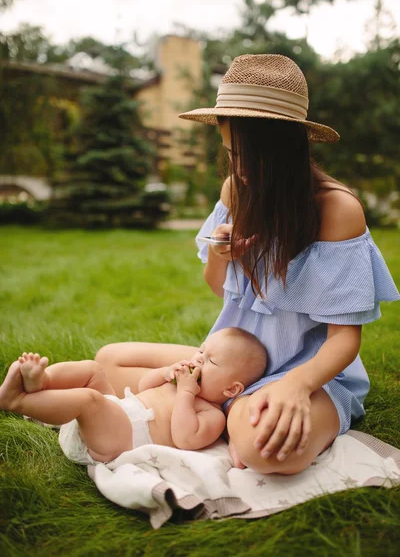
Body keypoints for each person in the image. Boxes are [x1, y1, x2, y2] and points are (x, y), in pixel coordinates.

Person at [95, 54, 400, 475]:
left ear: (286, 148)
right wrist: (221, 257)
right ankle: (223, 410)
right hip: (231, 362)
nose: (238, 168)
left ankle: (225, 415)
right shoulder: (235, 191)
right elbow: (220, 290)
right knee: (109, 359)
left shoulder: (336, 210)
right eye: (230, 153)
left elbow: (344, 340)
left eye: (248, 155)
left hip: (307, 371)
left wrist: (295, 386)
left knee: (264, 449)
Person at [0, 328, 267, 465]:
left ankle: (17, 401)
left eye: (210, 361)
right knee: (94, 372)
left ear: (231, 390)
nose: (197, 359)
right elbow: (143, 387)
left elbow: (186, 438)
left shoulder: (213, 415)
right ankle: (41, 384)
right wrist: (163, 373)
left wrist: (186, 394)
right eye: (200, 351)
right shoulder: (176, 382)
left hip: (119, 441)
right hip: (118, 412)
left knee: (88, 401)